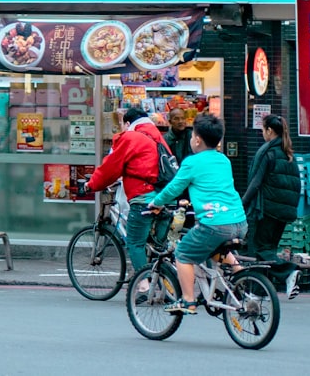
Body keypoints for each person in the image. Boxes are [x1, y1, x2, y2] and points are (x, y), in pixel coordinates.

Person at [148, 114, 247, 314]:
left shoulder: (192, 162)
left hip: (215, 224)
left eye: (192, 135)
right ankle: (244, 279)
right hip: (239, 221)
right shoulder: (224, 160)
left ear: (198, 139)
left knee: (183, 254)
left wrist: (155, 203)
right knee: (215, 248)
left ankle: (187, 300)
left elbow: (173, 188)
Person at [83, 107, 172, 279]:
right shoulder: (157, 136)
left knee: (134, 243)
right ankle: (165, 284)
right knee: (157, 246)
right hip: (163, 196)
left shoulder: (131, 137)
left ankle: (144, 285)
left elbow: (110, 168)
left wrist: (91, 185)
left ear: (128, 123)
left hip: (143, 196)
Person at [242, 114, 302, 299]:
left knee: (260, 248)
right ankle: (260, 292)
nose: (262, 134)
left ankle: (289, 271)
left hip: (267, 209)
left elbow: (255, 183)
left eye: (263, 130)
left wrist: (242, 204)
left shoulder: (267, 152)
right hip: (284, 212)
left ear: (269, 131)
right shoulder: (287, 153)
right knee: (268, 251)